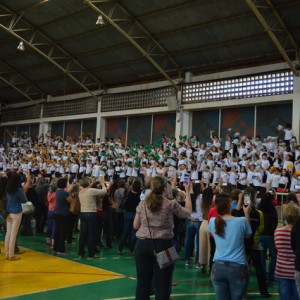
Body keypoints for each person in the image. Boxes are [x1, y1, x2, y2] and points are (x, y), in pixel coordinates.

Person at [133, 176, 192, 299]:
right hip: (165, 245)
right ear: (165, 188)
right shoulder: (170, 203)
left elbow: (135, 225)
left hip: (143, 245)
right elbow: (187, 213)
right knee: (163, 286)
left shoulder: (143, 203)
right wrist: (187, 192)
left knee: (143, 284)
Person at [208, 192, 252, 300]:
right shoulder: (241, 221)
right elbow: (248, 235)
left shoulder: (213, 222)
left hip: (218, 266)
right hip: (237, 267)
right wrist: (247, 214)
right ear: (229, 205)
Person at [78, 176, 107, 258]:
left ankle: (81, 252)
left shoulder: (81, 191)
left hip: (82, 213)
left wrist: (92, 182)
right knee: (91, 233)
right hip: (90, 213)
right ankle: (91, 253)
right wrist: (102, 183)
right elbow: (104, 191)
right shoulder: (91, 191)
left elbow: (88, 187)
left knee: (83, 234)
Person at [275, 204, 300, 300]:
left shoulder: (277, 232)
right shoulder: (297, 232)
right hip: (295, 269)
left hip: (281, 270)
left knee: (284, 296)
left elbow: (278, 248)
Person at [4, 171, 30, 260]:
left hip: (8, 212)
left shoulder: (8, 188)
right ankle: (11, 255)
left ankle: (7, 254)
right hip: (16, 213)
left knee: (8, 234)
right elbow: (24, 201)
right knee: (13, 234)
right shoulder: (18, 190)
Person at [258, 192, 278, 284]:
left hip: (260, 236)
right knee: (274, 256)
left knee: (262, 256)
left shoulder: (259, 210)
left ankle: (262, 277)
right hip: (270, 236)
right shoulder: (273, 210)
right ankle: (271, 277)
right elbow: (275, 223)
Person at [53, 177, 73, 255]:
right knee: (63, 232)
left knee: (58, 231)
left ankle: (55, 247)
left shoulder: (57, 191)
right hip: (63, 214)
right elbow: (71, 201)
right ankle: (61, 249)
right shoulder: (65, 193)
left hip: (56, 212)